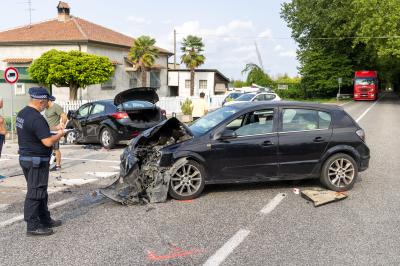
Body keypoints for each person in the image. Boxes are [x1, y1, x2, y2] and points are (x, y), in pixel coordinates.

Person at [16, 87, 65, 236]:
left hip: (26, 158)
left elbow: (36, 131)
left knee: (40, 191)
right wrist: (60, 134)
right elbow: (48, 142)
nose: (47, 104)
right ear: (41, 101)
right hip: (36, 160)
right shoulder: (36, 117)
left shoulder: (23, 113)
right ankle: (32, 226)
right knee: (36, 192)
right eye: (46, 101)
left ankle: (45, 219)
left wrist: (52, 129)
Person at [45, 98, 67, 171]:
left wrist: (62, 124)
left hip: (55, 132)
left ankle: (58, 166)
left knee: (56, 148)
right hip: (48, 131)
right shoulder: (46, 108)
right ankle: (49, 162)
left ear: (48, 100)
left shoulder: (56, 107)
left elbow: (64, 116)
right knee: (48, 148)